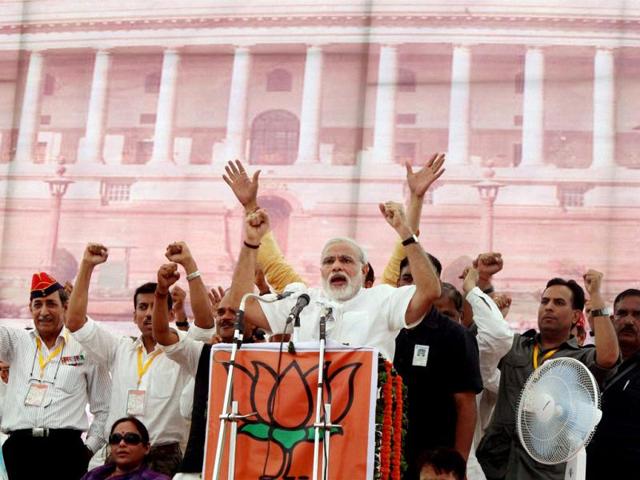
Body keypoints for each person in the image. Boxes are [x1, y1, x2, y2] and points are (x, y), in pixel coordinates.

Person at [66, 243, 215, 477]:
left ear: (170, 314)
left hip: (163, 457)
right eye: (142, 307)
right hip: (118, 452)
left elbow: (206, 324)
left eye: (154, 307)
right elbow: (75, 322)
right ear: (133, 316)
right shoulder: (119, 347)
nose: (147, 313)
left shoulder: (182, 348)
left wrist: (189, 265)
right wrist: (86, 266)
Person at [476, 270, 619, 480]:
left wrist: (596, 295)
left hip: (543, 472)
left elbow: (608, 357)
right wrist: (484, 288)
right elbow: (473, 340)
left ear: (575, 316)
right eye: (545, 301)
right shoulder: (513, 345)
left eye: (559, 302)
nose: (549, 307)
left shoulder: (579, 359)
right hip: (495, 465)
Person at [1, 272, 111, 480]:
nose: (44, 312)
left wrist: (88, 449)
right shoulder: (16, 341)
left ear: (65, 307)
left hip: (66, 450)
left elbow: (105, 407)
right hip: (19, 449)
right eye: (38, 304)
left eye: (51, 304)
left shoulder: (85, 347)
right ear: (30, 308)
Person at [394, 256, 483, 477]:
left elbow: (465, 404)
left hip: (433, 465)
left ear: (434, 286)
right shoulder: (381, 327)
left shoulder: (455, 335)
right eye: (407, 278)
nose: (412, 286)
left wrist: (457, 467)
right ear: (396, 283)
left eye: (422, 279)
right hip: (382, 457)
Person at [586, 288, 640, 478]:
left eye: (638, 315)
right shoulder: (589, 363)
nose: (629, 321)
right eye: (622, 314)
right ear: (611, 321)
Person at [81, 417, 170, 480]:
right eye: (116, 438)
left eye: (130, 438)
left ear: (146, 448)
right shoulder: (94, 475)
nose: (122, 443)